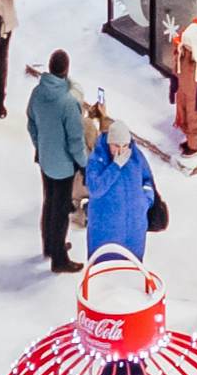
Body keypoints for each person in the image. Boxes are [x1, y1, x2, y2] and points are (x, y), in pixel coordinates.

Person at [26, 49, 87, 270]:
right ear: (66, 70)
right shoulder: (68, 103)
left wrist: (40, 145)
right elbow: (75, 140)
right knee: (61, 210)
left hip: (44, 158)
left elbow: (31, 123)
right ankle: (59, 260)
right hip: (63, 166)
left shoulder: (37, 93)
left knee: (49, 201)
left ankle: (49, 246)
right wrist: (83, 163)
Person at [87, 118, 159, 257]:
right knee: (105, 267)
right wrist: (115, 166)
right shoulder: (97, 159)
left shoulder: (137, 157)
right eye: (116, 145)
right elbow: (95, 189)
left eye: (125, 145)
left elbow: (147, 179)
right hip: (106, 227)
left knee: (132, 267)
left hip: (134, 227)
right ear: (108, 142)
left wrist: (146, 200)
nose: (120, 150)